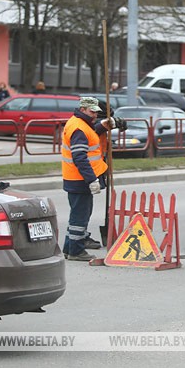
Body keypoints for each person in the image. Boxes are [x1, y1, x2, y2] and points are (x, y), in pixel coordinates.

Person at [61, 97, 126, 261]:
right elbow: (80, 158)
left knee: (78, 214)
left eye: (96, 112)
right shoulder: (79, 129)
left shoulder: (79, 123)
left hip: (75, 178)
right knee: (80, 216)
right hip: (80, 179)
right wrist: (91, 180)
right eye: (92, 112)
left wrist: (103, 126)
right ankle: (76, 251)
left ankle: (69, 247)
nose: (95, 115)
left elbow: (91, 134)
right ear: (82, 109)